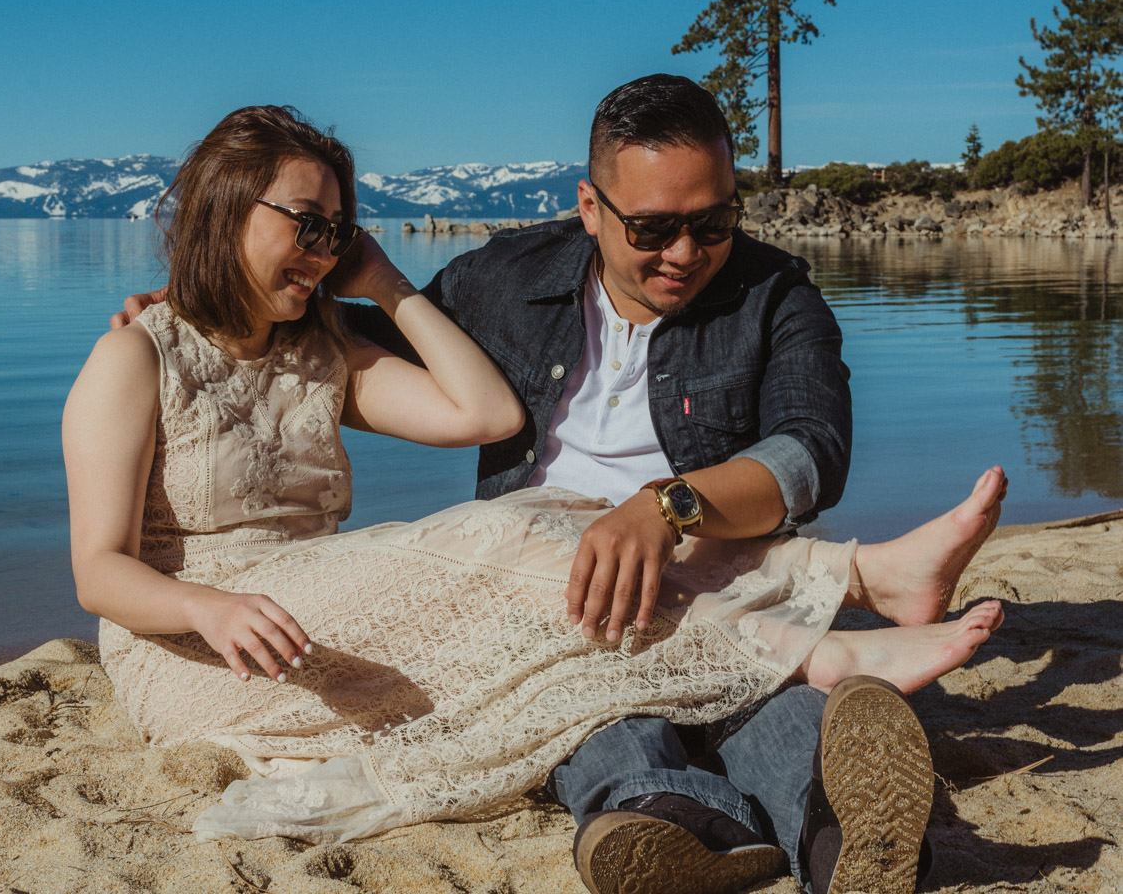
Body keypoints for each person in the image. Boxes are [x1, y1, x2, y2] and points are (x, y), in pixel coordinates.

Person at [84, 98, 1003, 893]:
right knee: (586, 660)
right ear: (591, 208)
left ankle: (839, 819)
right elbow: (100, 569)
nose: (686, 250)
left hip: (675, 563)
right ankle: (759, 721)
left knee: (729, 695)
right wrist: (230, 294)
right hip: (240, 623)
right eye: (651, 226)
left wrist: (663, 506)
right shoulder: (502, 278)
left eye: (713, 223)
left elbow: (809, 449)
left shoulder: (772, 296)